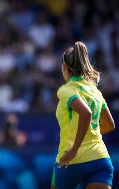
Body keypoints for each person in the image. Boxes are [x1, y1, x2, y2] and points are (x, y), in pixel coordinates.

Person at [51, 41, 115, 189]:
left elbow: (86, 112)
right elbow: (109, 125)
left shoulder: (65, 90)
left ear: (64, 67)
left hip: (71, 162)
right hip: (100, 159)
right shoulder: (95, 91)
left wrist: (74, 150)